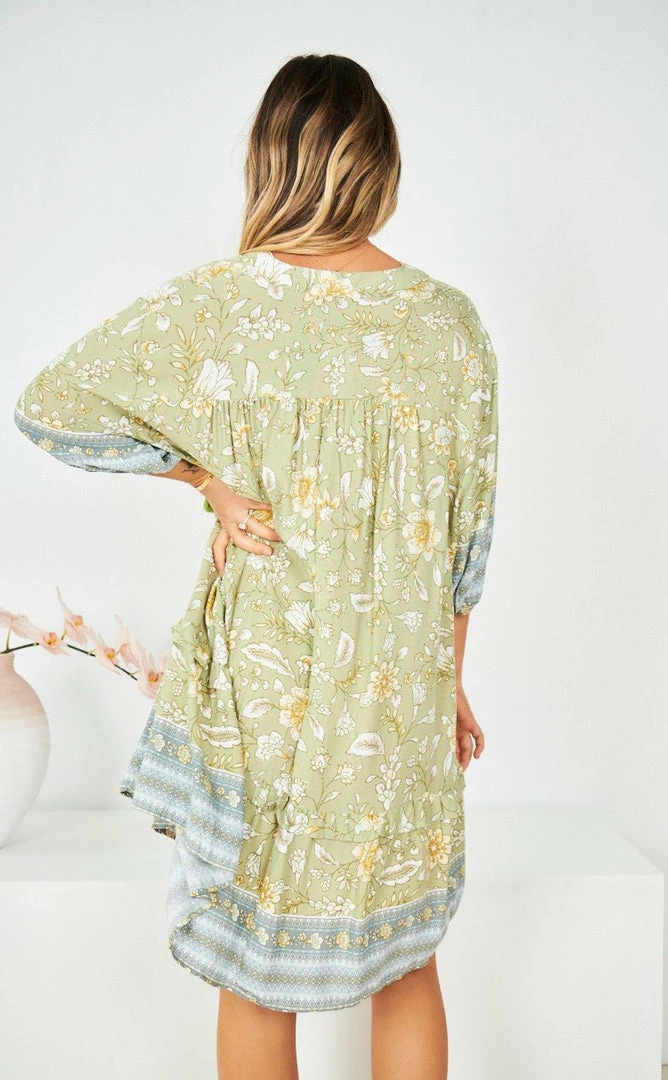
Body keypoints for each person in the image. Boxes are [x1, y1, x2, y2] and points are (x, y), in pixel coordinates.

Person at [13, 52, 498, 1080]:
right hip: (399, 696)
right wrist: (447, 684)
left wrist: (206, 480)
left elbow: (51, 403)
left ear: (271, 160)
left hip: (267, 695)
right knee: (410, 961)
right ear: (380, 162)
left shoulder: (228, 303)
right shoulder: (450, 325)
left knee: (253, 967)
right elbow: (467, 546)